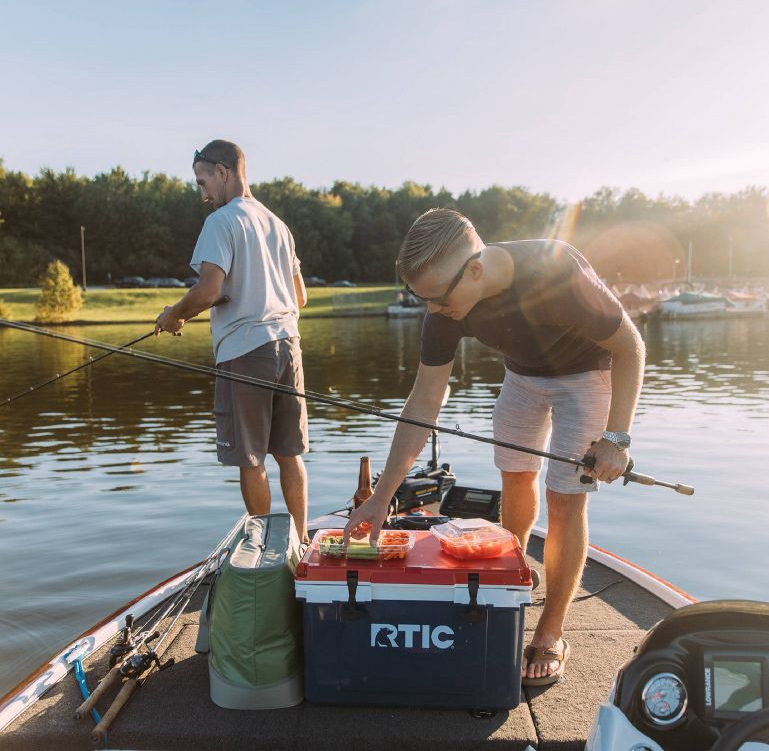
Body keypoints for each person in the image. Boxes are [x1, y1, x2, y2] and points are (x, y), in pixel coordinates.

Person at [344, 207, 645, 686]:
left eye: (437, 300)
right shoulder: (445, 303)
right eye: (421, 300)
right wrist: (382, 498)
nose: (432, 312)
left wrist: (616, 438)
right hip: (522, 377)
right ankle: (515, 575)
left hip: (588, 375)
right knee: (515, 476)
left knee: (564, 500)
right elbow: (423, 402)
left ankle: (551, 632)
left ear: (476, 270)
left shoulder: (557, 270)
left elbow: (630, 347)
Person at [155, 140, 310, 541]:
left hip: (245, 352)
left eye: (202, 180)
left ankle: (265, 552)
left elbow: (207, 291)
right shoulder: (278, 224)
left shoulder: (221, 221)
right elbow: (301, 297)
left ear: (223, 171)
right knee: (289, 455)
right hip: (287, 346)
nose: (202, 192)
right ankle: (302, 542)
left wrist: (175, 315)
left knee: (251, 457)